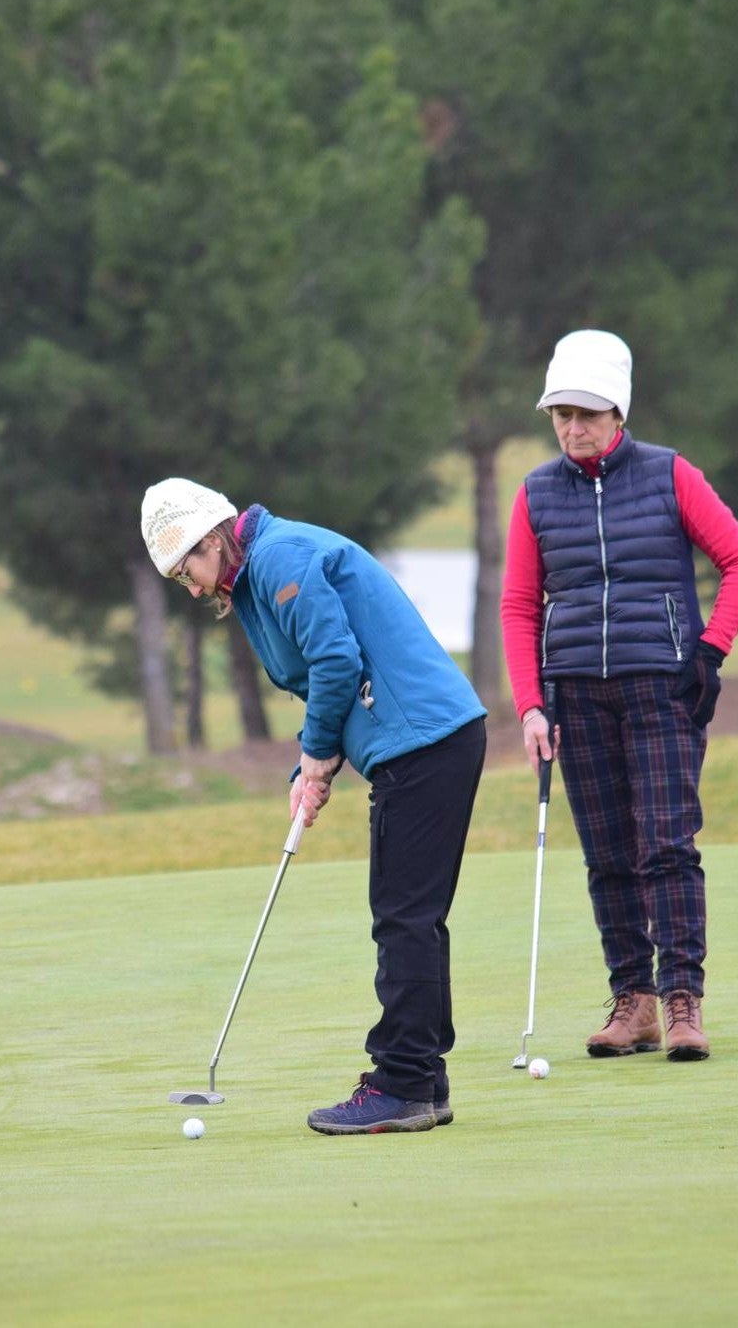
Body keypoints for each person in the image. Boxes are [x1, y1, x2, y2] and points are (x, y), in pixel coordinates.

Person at [141, 479, 487, 1132]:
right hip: (422, 741)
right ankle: (425, 1081)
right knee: (412, 915)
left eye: (187, 570)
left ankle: (404, 1082)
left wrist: (318, 755)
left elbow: (333, 661)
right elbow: (319, 673)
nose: (191, 589)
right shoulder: (254, 575)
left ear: (210, 540)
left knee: (403, 917)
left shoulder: (280, 557)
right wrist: (312, 757)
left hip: (424, 741)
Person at [501, 330, 738, 1062]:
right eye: (561, 414)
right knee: (608, 853)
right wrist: (530, 703)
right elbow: (520, 604)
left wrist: (711, 650)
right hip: (575, 694)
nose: (573, 428)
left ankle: (683, 1001)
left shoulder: (669, 474)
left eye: (587, 413)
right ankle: (635, 1003)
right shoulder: (535, 494)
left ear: (618, 411)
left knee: (667, 846)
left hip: (663, 686)